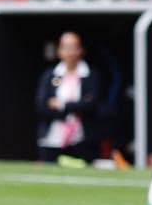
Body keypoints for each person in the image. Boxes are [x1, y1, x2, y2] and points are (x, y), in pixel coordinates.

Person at [35, 31, 103, 164]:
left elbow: (91, 104)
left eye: (73, 47)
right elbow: (42, 104)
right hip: (54, 137)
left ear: (81, 50)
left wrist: (62, 105)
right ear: (59, 51)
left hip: (82, 138)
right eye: (66, 48)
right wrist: (75, 106)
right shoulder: (50, 75)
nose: (70, 52)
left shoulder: (91, 75)